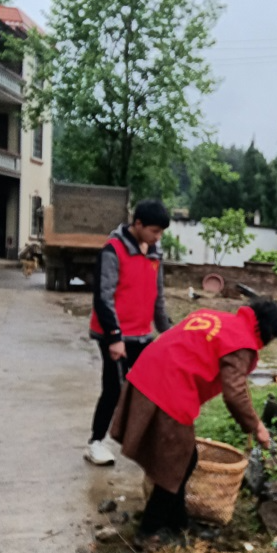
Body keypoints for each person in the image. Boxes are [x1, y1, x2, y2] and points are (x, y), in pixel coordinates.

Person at [110, 300, 277, 541]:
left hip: (147, 372)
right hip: (169, 388)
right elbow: (235, 394)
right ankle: (148, 530)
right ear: (268, 332)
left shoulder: (219, 319)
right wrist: (257, 426)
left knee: (186, 459)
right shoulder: (242, 342)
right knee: (175, 465)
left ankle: (178, 522)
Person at [85, 199, 171, 466]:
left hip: (142, 334)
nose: (157, 237)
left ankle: (141, 441)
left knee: (149, 387)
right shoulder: (114, 249)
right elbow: (103, 297)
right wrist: (114, 337)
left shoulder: (155, 253)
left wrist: (167, 332)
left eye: (161, 232)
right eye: (154, 231)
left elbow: (158, 296)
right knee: (114, 389)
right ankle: (96, 442)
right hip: (114, 335)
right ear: (138, 224)